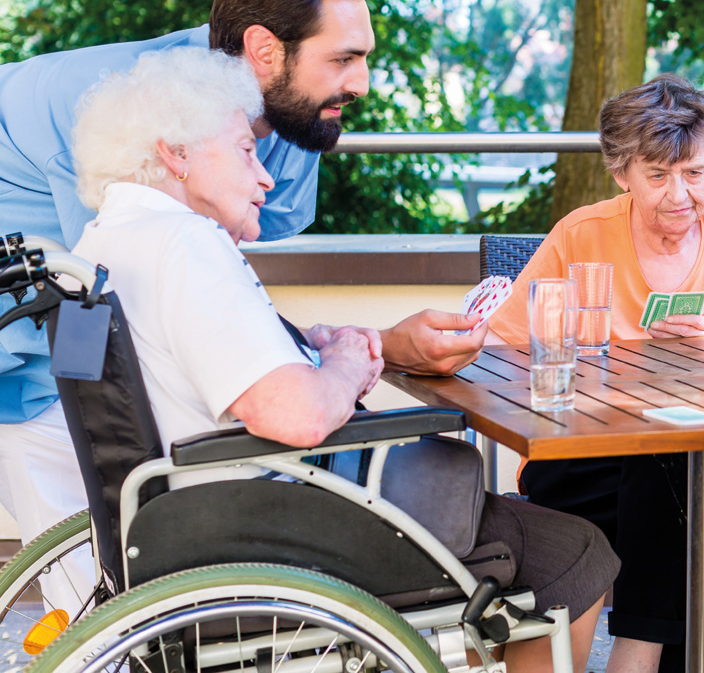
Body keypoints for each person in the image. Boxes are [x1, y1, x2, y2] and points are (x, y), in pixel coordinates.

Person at [66, 47, 620, 672]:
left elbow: (208, 367)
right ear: (176, 152)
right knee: (573, 553)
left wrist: (315, 347)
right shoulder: (186, 244)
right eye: (247, 151)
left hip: (181, 523)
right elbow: (297, 416)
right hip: (265, 525)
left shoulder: (108, 240)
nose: (266, 177)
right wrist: (348, 366)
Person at [0, 0, 487, 551]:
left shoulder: (276, 112)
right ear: (263, 50)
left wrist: (367, 348)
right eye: (342, 59)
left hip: (72, 319)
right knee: (91, 565)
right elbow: (146, 315)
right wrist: (357, 359)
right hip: (28, 341)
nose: (362, 82)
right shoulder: (131, 120)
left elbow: (226, 299)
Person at [487, 74, 704, 673]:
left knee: (674, 454)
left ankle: (632, 655)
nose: (679, 195)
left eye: (694, 174)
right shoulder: (581, 235)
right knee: (668, 483)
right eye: (658, 175)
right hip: (583, 458)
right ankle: (643, 657)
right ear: (622, 173)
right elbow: (507, 348)